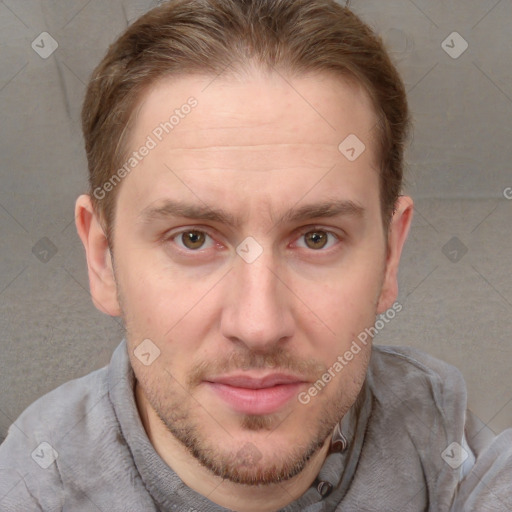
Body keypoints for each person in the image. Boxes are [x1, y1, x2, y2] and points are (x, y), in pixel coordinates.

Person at [1, 0, 511, 510]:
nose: (259, 325)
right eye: (193, 238)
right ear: (103, 259)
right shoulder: (34, 485)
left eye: (316, 238)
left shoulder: (439, 428)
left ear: (390, 256)